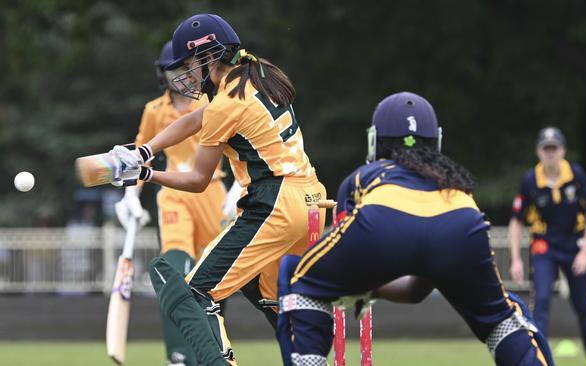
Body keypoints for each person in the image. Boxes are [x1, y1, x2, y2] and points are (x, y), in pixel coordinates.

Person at [108, 13, 326, 366]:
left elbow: (197, 179)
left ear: (209, 56)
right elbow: (197, 118)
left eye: (190, 63)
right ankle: (305, 360)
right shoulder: (258, 72)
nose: (188, 74)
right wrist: (146, 151)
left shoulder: (226, 105)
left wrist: (147, 176)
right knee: (268, 294)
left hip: (275, 204)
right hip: (313, 200)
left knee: (193, 291)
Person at [276, 91, 554, 366]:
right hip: (462, 223)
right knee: (504, 319)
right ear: (436, 141)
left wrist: (364, 288)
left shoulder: (365, 175)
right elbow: (418, 288)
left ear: (376, 141)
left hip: (382, 219)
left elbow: (350, 259)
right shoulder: (452, 179)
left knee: (298, 277)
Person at [114, 40, 241, 366]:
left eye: (183, 68)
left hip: (213, 193)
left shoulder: (217, 104)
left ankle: (211, 353)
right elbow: (139, 154)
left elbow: (242, 144)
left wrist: (239, 186)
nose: (179, 76)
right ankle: (178, 356)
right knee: (174, 270)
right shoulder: (155, 110)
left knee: (211, 283)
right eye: (173, 70)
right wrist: (130, 198)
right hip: (172, 193)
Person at [508, 126, 586, 366]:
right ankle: (539, 362)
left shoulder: (576, 175)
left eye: (554, 148)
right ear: (538, 151)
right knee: (540, 304)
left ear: (563, 150)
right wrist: (516, 259)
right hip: (544, 247)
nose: (550, 153)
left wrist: (585, 251)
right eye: (545, 148)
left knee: (585, 308)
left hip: (574, 246)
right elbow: (516, 221)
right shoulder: (530, 180)